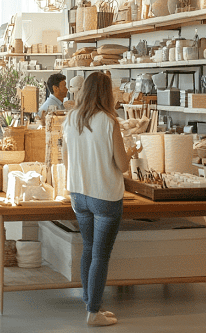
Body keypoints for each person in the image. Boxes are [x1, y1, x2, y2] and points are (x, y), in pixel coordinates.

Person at [62, 72, 134, 327]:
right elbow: (123, 165)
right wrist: (132, 150)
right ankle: (93, 311)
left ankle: (90, 302)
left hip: (78, 195)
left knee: (89, 249)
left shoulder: (71, 118)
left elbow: (65, 159)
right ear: (107, 93)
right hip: (104, 195)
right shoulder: (109, 122)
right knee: (101, 255)